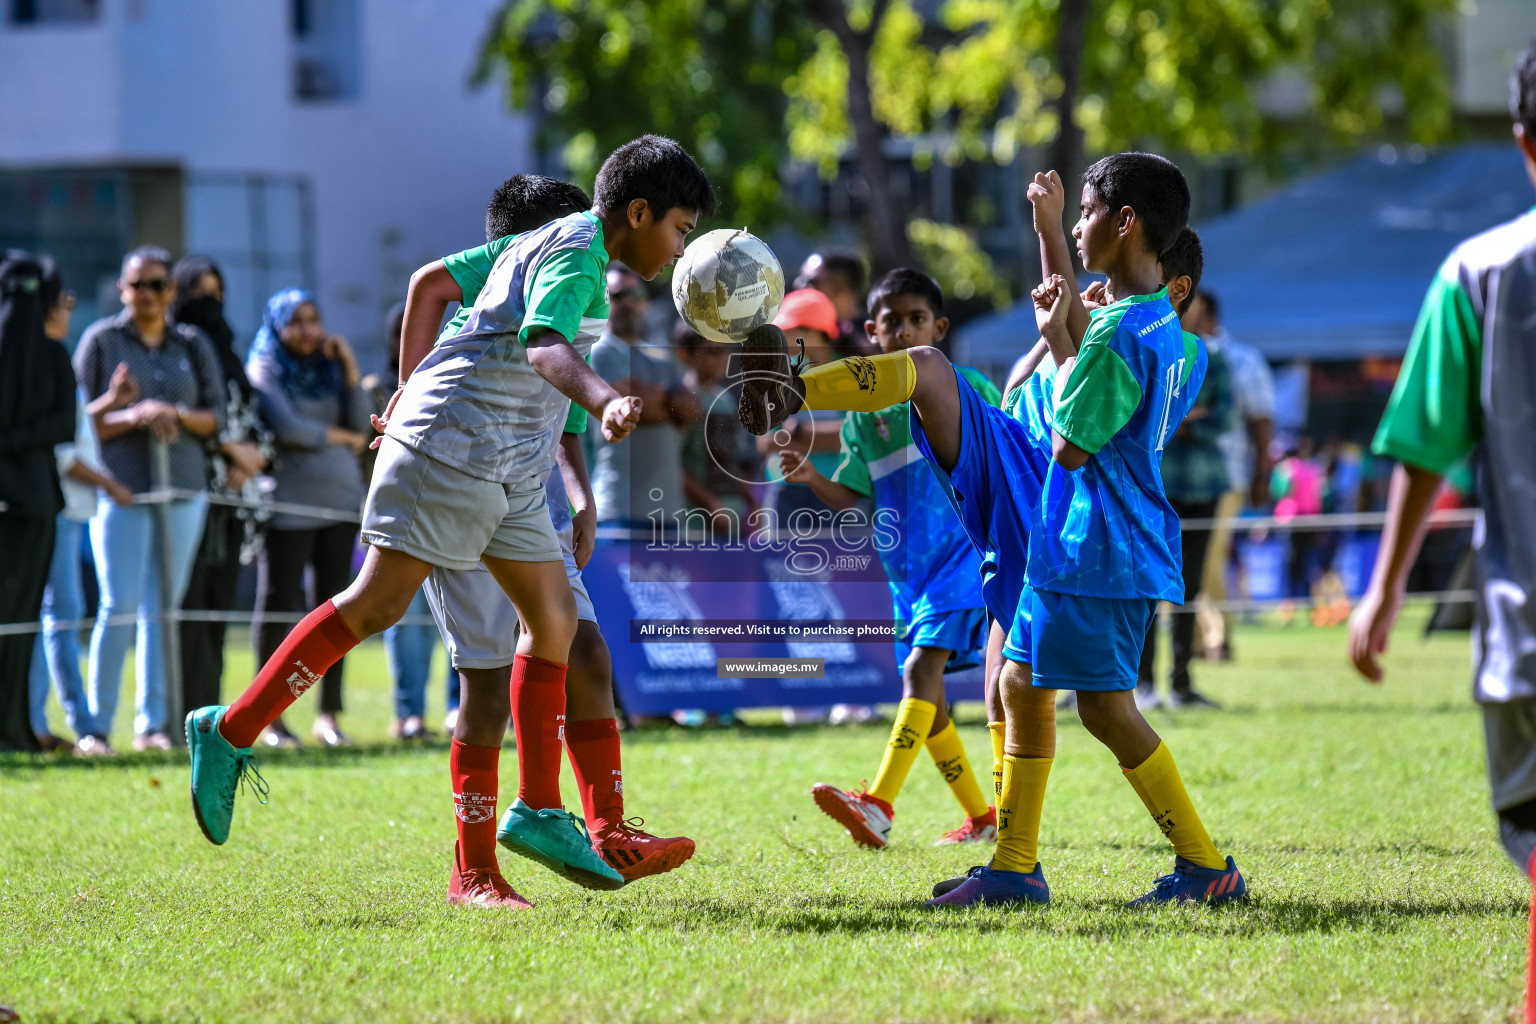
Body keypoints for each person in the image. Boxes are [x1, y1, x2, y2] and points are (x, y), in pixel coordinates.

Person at [186, 137, 711, 912]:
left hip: (505, 461)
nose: (680, 249)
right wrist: (606, 400)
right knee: (377, 605)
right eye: (680, 229)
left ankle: (537, 809)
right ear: (638, 213)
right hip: (456, 446)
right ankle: (230, 729)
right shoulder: (575, 252)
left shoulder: (548, 239)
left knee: (556, 618)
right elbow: (541, 344)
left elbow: (436, 285)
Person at [738, 154, 1246, 908]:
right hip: (1083, 533)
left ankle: (1205, 868)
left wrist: (1060, 335)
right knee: (1016, 683)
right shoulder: (1170, 337)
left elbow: (1073, 443)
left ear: (1126, 223)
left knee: (1106, 709)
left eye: (1086, 213)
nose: (1078, 227)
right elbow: (1086, 353)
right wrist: (1051, 256)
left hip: (1094, 540)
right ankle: (1014, 867)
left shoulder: (1117, 334)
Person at [385, 173, 696, 881]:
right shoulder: (484, 323)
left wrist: (581, 496)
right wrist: (403, 398)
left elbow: (560, 415)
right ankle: (475, 872)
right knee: (487, 689)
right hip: (461, 485)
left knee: (587, 652)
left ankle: (609, 830)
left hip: (528, 504)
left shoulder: (569, 291)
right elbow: (457, 313)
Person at [1349, 39, 1536, 1002]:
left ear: (1522, 143)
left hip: (1526, 627)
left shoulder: (1480, 271)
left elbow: (1425, 445)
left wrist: (1381, 590)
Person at [779, 267, 998, 848]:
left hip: (963, 557)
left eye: (916, 320)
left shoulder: (963, 382)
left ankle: (877, 804)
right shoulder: (860, 413)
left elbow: (1007, 452)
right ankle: (982, 817)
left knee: (918, 674)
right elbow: (855, 495)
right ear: (872, 332)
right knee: (932, 703)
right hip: (907, 572)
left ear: (940, 327)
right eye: (891, 322)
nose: (904, 331)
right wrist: (809, 476)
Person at [75, 245, 224, 751]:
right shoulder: (101, 341)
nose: (148, 294)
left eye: (158, 284)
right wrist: (130, 413)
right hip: (121, 492)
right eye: (138, 285)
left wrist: (172, 412)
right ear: (122, 289)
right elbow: (79, 425)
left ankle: (153, 725)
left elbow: (214, 419)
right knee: (118, 605)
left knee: (164, 608)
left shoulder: (192, 343)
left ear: (171, 291)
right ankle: (95, 727)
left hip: (183, 488)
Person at [246, 288, 371, 747]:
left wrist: (350, 368)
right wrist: (338, 436)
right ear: (277, 325)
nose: (307, 330)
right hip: (288, 506)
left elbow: (362, 425)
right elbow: (289, 429)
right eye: (295, 321)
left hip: (340, 504)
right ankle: (269, 718)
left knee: (336, 616)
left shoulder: (329, 368)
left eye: (313, 320)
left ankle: (329, 716)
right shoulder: (264, 365)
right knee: (279, 608)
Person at [28, 264, 134, 754]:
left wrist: (109, 401)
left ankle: (44, 719)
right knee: (60, 616)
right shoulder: (40, 363)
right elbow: (65, 455)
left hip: (67, 511)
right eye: (64, 300)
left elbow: (70, 430)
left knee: (54, 615)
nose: (70, 308)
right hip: (60, 510)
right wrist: (110, 482)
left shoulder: (44, 362)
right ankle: (80, 724)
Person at [171, 255, 272, 721]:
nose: (210, 302)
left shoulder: (230, 351)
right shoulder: (180, 346)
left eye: (217, 291)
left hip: (237, 498)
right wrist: (228, 450)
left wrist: (251, 457)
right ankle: (182, 703)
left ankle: (209, 707)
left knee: (219, 604)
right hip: (194, 489)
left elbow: (252, 413)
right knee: (189, 603)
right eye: (198, 291)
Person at [1136, 230, 1230, 711]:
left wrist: (1180, 418)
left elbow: (1222, 418)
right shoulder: (1138, 345)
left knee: (1191, 586)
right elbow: (1171, 417)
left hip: (1204, 484)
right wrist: (1186, 416)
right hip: (1159, 486)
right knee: (1150, 585)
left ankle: (1182, 682)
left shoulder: (1206, 356)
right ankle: (1144, 684)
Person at [0, 252, 78, 754]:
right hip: (33, 503)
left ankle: (14, 726)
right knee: (21, 619)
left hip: (30, 505)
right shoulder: (53, 357)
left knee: (22, 619)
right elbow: (60, 426)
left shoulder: (52, 358)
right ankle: (14, 727)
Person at [368, 301, 449, 741]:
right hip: (397, 513)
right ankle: (409, 712)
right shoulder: (378, 387)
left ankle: (457, 707)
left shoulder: (451, 378)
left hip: (448, 510)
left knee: (454, 615)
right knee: (402, 619)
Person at [1188, 289, 1275, 661]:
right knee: (1192, 556)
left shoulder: (1239, 359)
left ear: (1209, 315)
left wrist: (1261, 475)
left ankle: (1218, 638)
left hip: (1227, 473)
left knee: (1207, 555)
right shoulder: (1180, 349)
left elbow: (1261, 420)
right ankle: (1194, 639)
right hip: (1182, 475)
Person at [588, 265, 697, 528]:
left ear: (646, 303)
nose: (627, 302)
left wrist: (655, 397)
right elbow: (635, 409)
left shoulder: (660, 355)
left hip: (667, 512)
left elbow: (691, 407)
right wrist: (670, 403)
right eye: (617, 296)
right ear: (603, 302)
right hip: (619, 508)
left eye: (634, 295)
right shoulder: (599, 351)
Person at [757, 288, 849, 521]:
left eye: (790, 331)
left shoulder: (852, 373)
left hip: (837, 491)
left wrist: (799, 433)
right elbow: (765, 443)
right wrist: (830, 437)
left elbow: (858, 436)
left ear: (816, 332)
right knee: (778, 558)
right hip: (786, 491)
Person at [677, 323, 759, 520]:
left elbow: (730, 458)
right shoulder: (682, 400)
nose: (722, 358)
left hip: (731, 512)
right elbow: (672, 464)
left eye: (725, 350)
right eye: (712, 351)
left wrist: (751, 500)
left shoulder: (726, 400)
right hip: (696, 516)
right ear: (685, 355)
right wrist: (711, 504)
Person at [796, 250, 870, 356]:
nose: (798, 285)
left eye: (810, 281)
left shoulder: (875, 340)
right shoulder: (801, 334)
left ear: (839, 289)